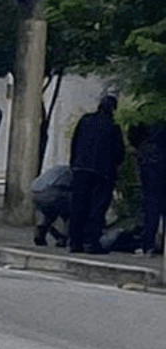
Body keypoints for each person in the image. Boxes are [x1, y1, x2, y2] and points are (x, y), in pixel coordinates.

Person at [68, 94, 125, 254]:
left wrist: (74, 165)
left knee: (78, 206)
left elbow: (75, 143)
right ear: (113, 109)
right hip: (102, 173)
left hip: (80, 170)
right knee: (97, 208)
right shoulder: (113, 126)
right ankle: (92, 243)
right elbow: (119, 152)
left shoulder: (85, 120)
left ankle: (75, 242)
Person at [128, 119, 166, 255]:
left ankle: (148, 245)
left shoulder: (144, 147)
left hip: (150, 174)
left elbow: (133, 135)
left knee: (151, 210)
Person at [31, 165, 72, 247]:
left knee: (48, 212)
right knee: (71, 212)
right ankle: (64, 238)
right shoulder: (71, 173)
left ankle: (41, 231)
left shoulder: (60, 169)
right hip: (54, 191)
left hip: (36, 192)